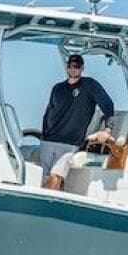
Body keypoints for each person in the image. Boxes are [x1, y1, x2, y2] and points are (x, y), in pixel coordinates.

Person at [38, 53, 114, 190]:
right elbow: (48, 113)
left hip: (69, 143)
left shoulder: (89, 85)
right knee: (43, 178)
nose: (73, 69)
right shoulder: (57, 88)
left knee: (56, 176)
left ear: (82, 68)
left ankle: (47, 201)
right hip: (48, 141)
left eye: (76, 66)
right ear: (66, 67)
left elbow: (108, 105)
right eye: (70, 66)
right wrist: (43, 134)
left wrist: (107, 129)